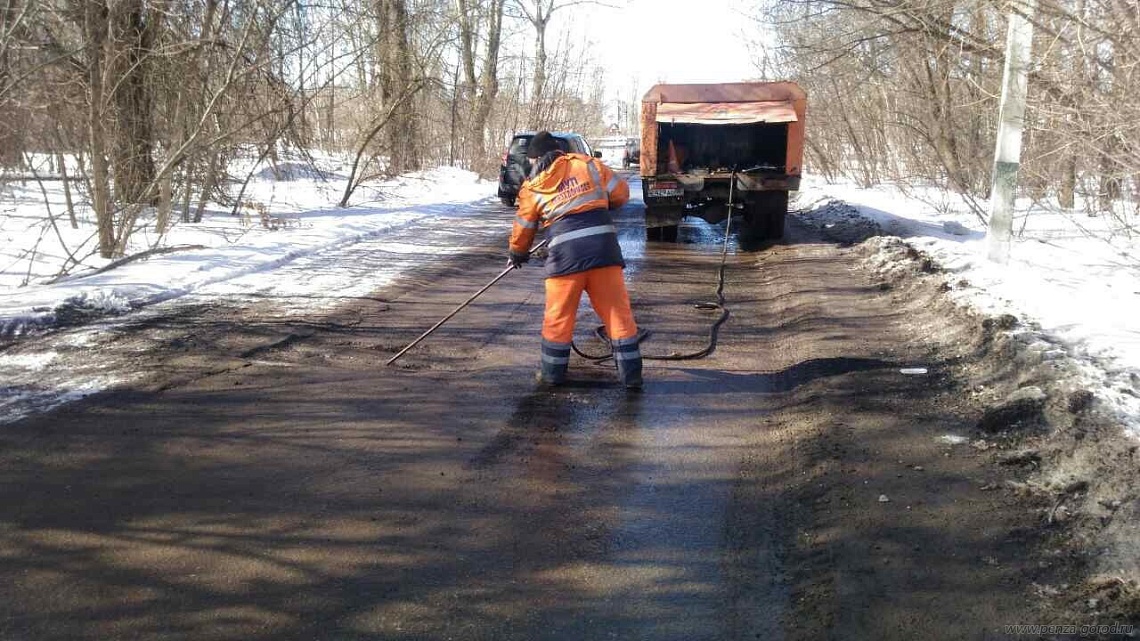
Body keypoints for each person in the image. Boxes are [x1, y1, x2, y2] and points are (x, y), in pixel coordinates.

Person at [507, 131, 643, 389]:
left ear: (535, 158)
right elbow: (621, 194)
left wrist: (517, 252)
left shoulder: (533, 186)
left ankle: (552, 375)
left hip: (565, 260)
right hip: (604, 252)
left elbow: (524, 226)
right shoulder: (587, 165)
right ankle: (632, 377)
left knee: (558, 317)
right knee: (618, 315)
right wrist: (600, 203)